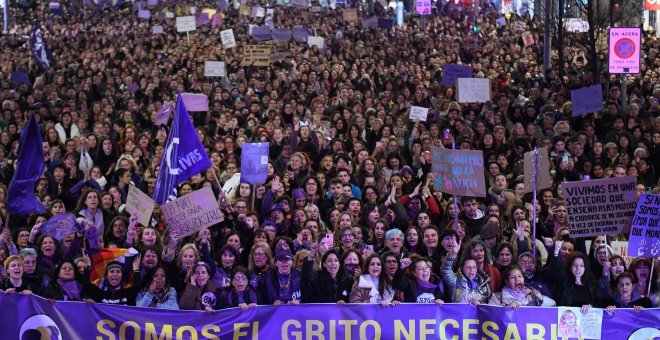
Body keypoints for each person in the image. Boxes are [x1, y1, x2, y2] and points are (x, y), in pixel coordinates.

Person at [440, 238, 492, 305]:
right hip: (458, 315)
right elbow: (445, 270)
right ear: (462, 268)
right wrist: (452, 254)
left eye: (474, 267)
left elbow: (489, 305)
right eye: (468, 267)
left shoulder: (484, 284)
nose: (471, 270)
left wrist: (479, 303)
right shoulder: (455, 281)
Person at [489, 265, 556, 309]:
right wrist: (506, 309)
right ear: (507, 281)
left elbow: (553, 306)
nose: (517, 279)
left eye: (520, 276)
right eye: (513, 277)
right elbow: (489, 314)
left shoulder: (532, 294)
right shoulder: (497, 297)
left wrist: (542, 300)